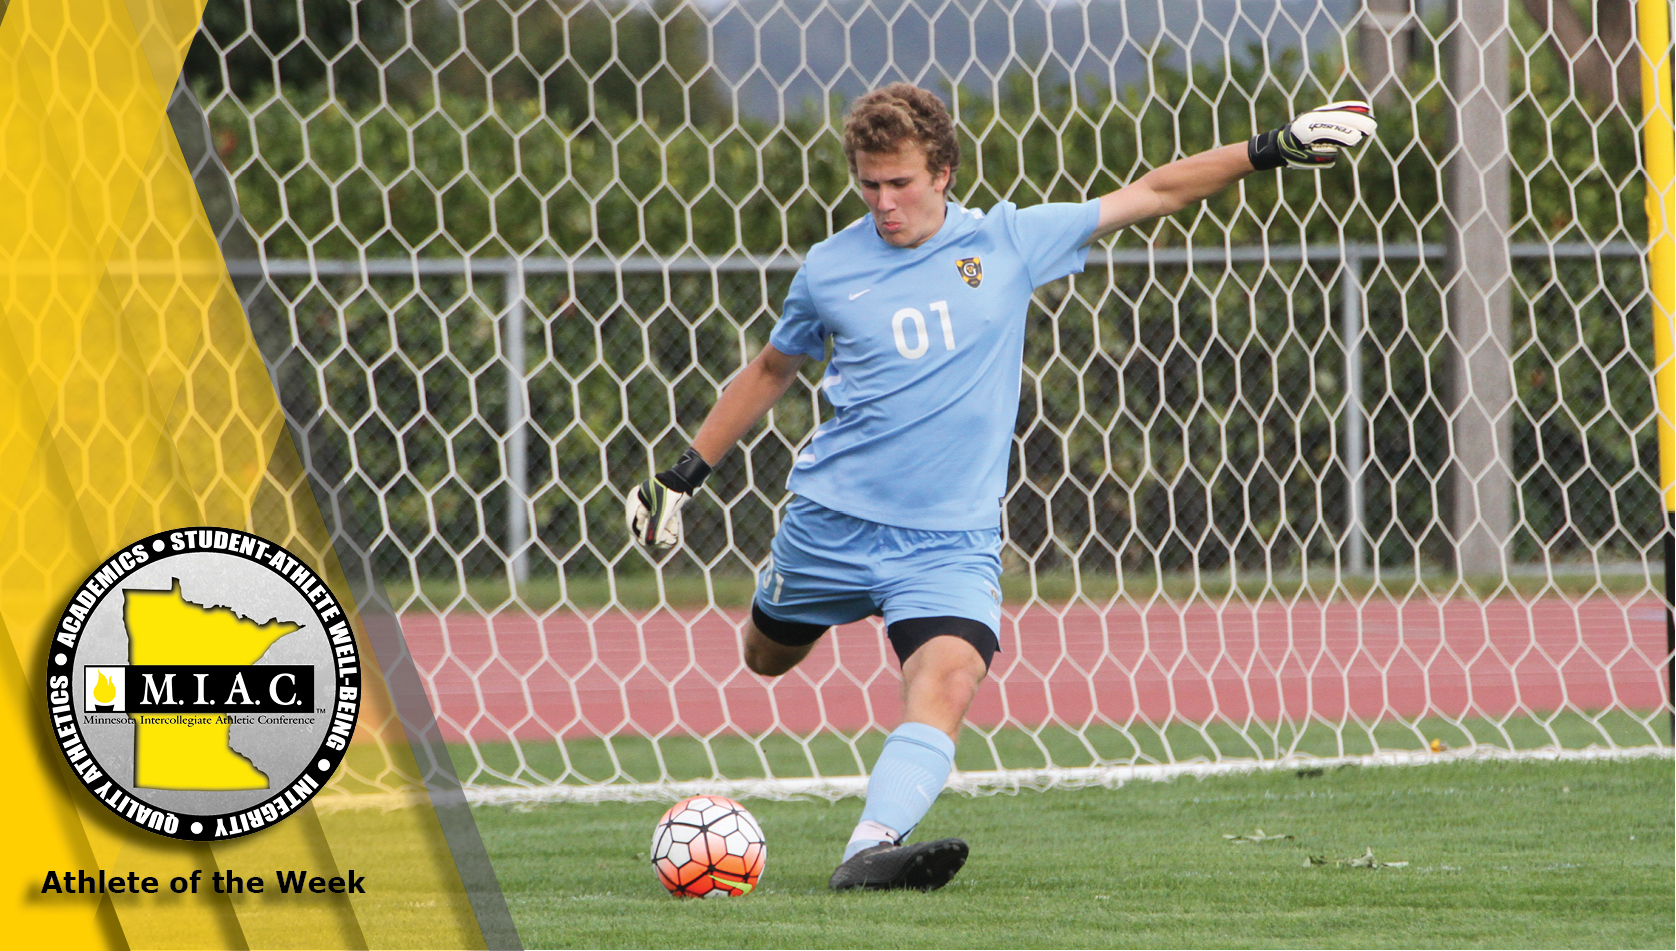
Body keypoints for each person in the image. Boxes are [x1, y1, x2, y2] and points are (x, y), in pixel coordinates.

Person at [628, 84, 1375, 891]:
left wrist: (1270, 149)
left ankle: (869, 849)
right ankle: (783, 623)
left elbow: (1156, 189)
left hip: (949, 541)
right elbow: (773, 368)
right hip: (831, 525)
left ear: (944, 172)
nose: (885, 203)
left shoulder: (1011, 239)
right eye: (869, 185)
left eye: (901, 182)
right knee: (766, 656)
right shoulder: (829, 270)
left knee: (949, 675)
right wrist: (682, 474)